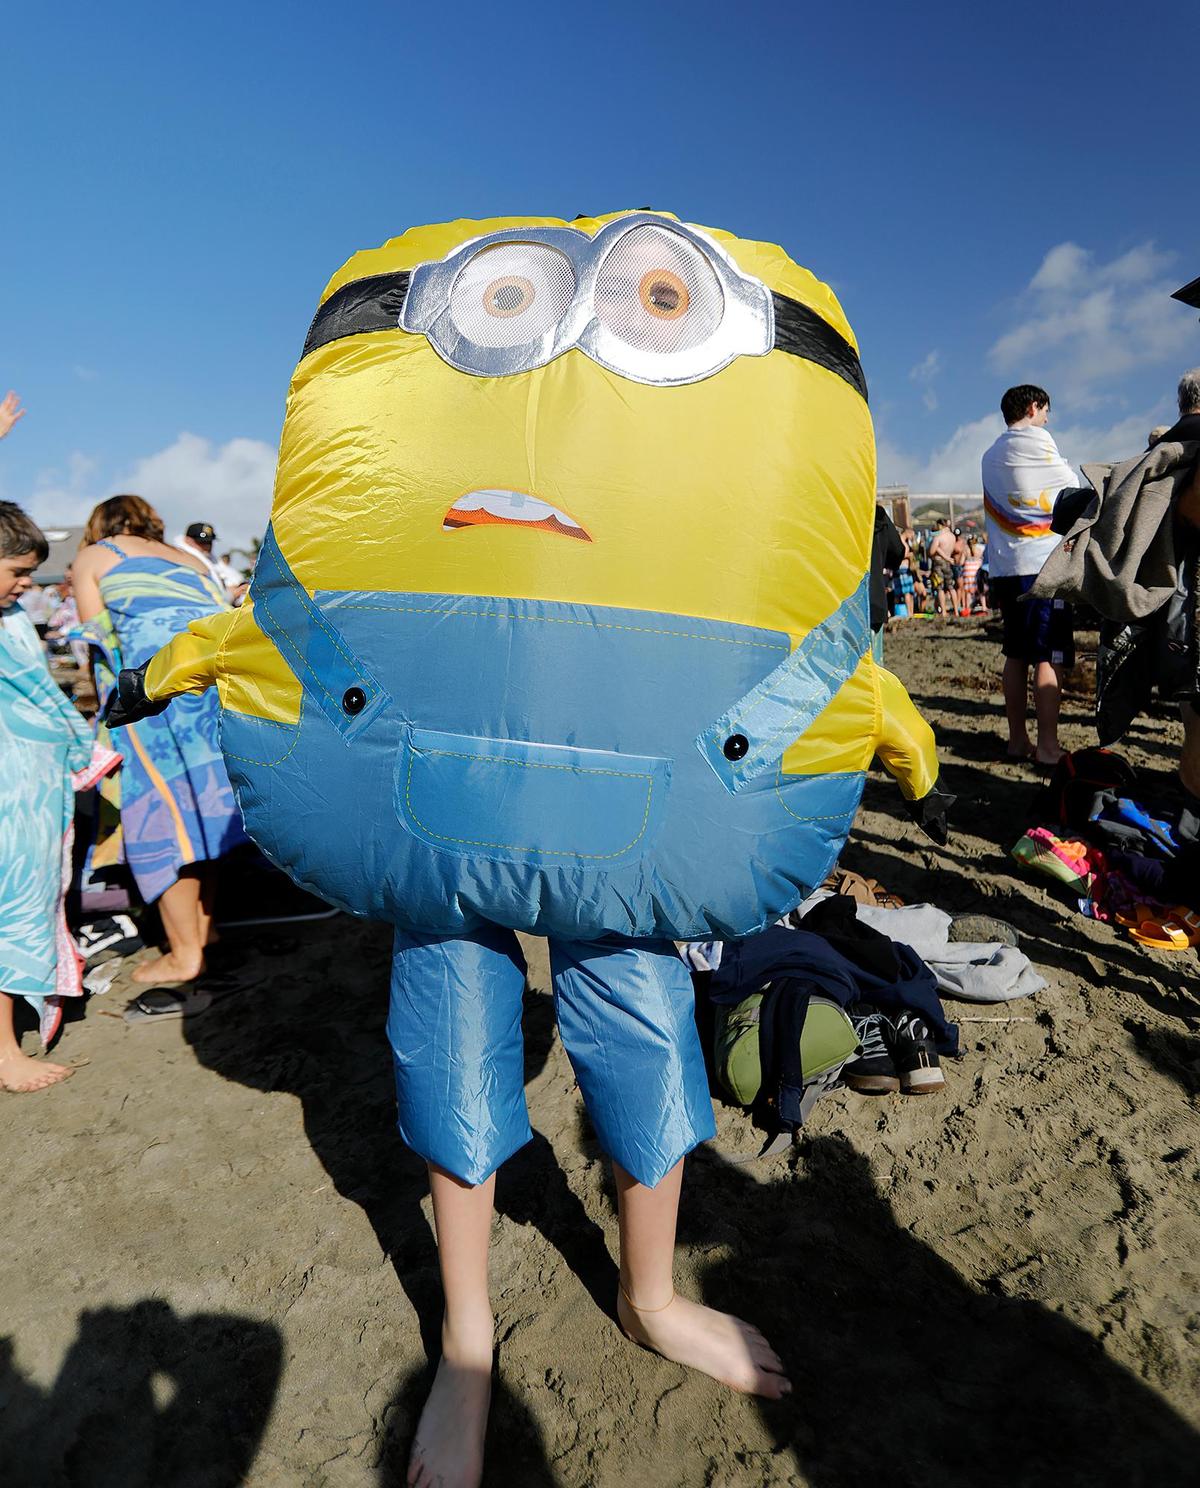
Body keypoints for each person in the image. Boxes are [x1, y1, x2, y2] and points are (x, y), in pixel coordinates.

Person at [73, 496, 246, 988]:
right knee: (204, 814)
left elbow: (95, 641)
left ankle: (184, 954)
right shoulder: (190, 558)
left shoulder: (97, 555)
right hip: (209, 691)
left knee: (161, 818)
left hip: (148, 698)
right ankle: (204, 934)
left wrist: (104, 709)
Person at [0, 503, 94, 1091]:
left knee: (16, 904)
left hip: (22, 792)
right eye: (15, 570)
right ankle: (5, 1055)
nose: (26, 584)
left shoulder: (9, 618)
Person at [981, 384, 1080, 764]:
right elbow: (1069, 489)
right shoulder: (1040, 442)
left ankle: (1017, 740)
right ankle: (1049, 746)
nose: (1047, 419)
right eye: (1045, 410)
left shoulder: (990, 455)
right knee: (1047, 656)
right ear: (1034, 407)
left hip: (1005, 567)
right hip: (1042, 567)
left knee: (1016, 653)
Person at [173, 522, 247, 602]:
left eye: (209, 542)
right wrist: (233, 594)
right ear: (188, 540)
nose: (207, 546)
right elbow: (203, 598)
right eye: (202, 542)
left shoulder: (211, 561)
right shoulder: (183, 562)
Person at [927, 518, 956, 617]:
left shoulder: (939, 537)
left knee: (940, 588)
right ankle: (956, 610)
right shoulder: (952, 536)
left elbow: (931, 552)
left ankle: (944, 611)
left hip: (938, 563)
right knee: (951, 587)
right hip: (948, 563)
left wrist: (937, 551)